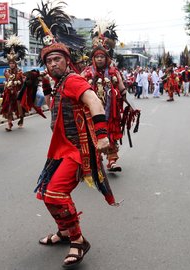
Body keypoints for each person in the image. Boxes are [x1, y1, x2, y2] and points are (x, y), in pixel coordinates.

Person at [30, 6, 119, 268]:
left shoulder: (73, 80)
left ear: (67, 61)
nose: (53, 63)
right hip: (59, 150)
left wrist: (103, 136)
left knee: (56, 192)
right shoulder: (58, 84)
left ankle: (78, 240)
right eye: (48, 60)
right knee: (46, 193)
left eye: (57, 59)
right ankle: (65, 230)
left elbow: (94, 101)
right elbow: (52, 109)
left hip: (77, 151)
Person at [81, 20, 127, 172]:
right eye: (97, 57)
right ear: (93, 58)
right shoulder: (87, 72)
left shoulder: (114, 72)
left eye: (102, 56)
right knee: (93, 136)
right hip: (91, 111)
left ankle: (112, 161)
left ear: (106, 58)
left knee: (111, 135)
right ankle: (96, 160)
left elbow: (122, 88)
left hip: (111, 111)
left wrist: (129, 104)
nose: (99, 59)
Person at [0, 36, 27, 131]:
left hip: (17, 92)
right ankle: (9, 124)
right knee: (8, 107)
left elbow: (23, 79)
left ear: (15, 63)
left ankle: (21, 120)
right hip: (8, 92)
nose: (11, 64)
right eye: (10, 63)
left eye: (13, 63)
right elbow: (7, 77)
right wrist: (9, 82)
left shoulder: (20, 71)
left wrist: (18, 81)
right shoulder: (6, 71)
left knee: (20, 107)